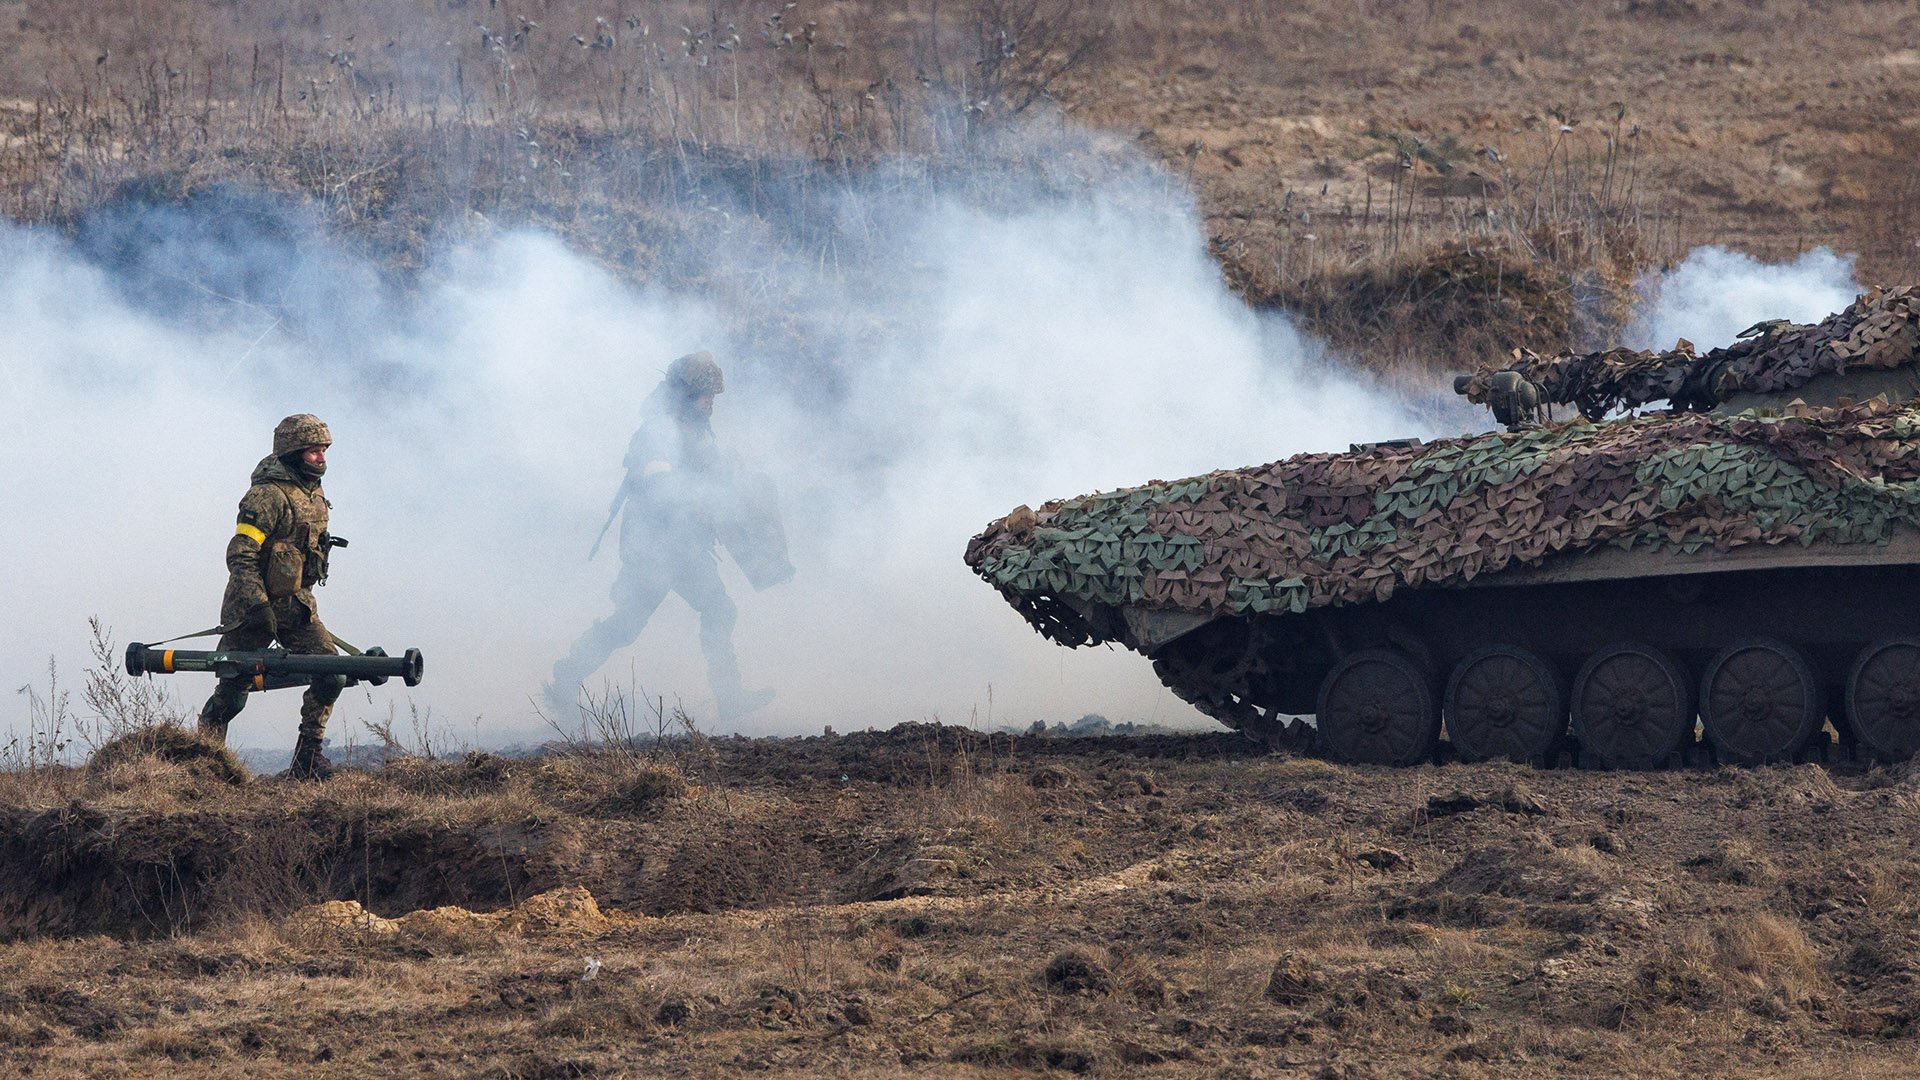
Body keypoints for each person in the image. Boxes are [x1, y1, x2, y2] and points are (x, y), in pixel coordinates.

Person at [550, 351, 791, 722]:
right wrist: (699, 496)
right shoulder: (660, 431)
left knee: (718, 610)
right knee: (629, 624)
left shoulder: (696, 428)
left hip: (685, 547)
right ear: (684, 395)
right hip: (655, 547)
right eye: (703, 394)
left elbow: (713, 477)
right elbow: (659, 485)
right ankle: (567, 675)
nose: (710, 402)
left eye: (712, 395)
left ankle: (730, 697)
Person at [195, 413, 346, 780]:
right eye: (313, 451)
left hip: (295, 606)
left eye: (324, 450)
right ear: (293, 452)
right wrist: (258, 605)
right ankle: (203, 760)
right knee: (234, 686)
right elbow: (241, 554)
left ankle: (307, 758)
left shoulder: (314, 493)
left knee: (332, 673)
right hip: (251, 607)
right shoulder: (266, 495)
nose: (321, 458)